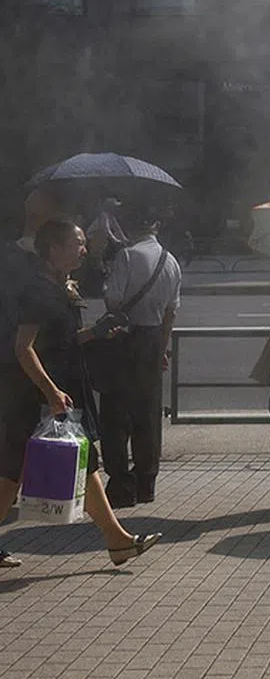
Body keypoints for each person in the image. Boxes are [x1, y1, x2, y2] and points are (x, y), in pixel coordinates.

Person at [0, 218, 161, 565]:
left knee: (74, 465)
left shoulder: (60, 289)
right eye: (77, 243)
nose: (84, 249)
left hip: (62, 393)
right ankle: (118, 541)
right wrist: (52, 392)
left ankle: (118, 541)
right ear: (54, 249)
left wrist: (97, 333)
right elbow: (23, 348)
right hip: (37, 398)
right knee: (14, 473)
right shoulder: (37, 292)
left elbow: (62, 342)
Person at [99, 210, 183, 508]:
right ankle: (147, 482)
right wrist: (161, 346)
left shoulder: (126, 257)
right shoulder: (170, 261)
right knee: (148, 416)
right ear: (157, 225)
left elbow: (113, 301)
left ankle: (121, 484)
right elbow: (171, 312)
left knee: (116, 415)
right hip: (152, 339)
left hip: (124, 339)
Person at [0, 188, 65, 567]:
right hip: (15, 371)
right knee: (10, 464)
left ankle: (116, 536)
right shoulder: (19, 262)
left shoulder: (31, 263)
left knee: (12, 464)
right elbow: (23, 332)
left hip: (23, 370)